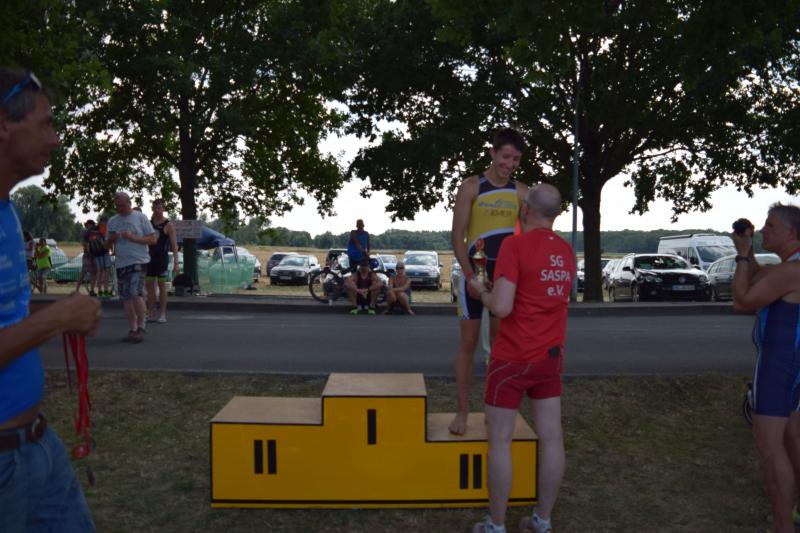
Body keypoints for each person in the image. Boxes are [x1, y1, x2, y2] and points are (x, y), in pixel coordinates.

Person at [0, 66, 102, 532]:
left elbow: (10, 318)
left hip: (37, 444)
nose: (56, 140)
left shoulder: (7, 212)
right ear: (5, 124)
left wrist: (60, 315)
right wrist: (59, 317)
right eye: (46, 125)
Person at [467, 184, 574, 533]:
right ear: (556, 214)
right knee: (552, 438)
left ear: (526, 209)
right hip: (550, 358)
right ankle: (542, 520)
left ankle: (496, 524)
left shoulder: (515, 246)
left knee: (500, 440)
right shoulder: (566, 251)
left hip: (513, 356)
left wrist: (480, 291)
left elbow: (501, 307)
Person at [449, 128, 529, 435]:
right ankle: (462, 413)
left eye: (516, 159)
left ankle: (493, 410)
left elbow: (530, 235)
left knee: (499, 348)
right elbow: (457, 236)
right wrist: (470, 276)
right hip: (473, 274)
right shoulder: (472, 187)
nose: (510, 164)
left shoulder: (521, 192)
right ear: (493, 153)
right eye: (505, 156)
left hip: (504, 279)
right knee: (468, 344)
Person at [732, 203, 800, 533]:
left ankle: (783, 526)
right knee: (793, 438)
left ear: (792, 232)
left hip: (779, 363)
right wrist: (747, 254)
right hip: (793, 364)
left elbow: (742, 301)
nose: (762, 231)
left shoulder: (791, 272)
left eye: (771, 226)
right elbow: (762, 278)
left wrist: (742, 258)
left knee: (769, 447)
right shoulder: (789, 268)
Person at [106, 191, 156, 343]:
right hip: (121, 262)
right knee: (126, 297)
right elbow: (106, 246)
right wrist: (111, 240)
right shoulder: (112, 221)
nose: (119, 209)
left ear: (129, 203)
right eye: (117, 206)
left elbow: (153, 239)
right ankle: (133, 329)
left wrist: (133, 238)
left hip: (138, 260)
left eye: (122, 205)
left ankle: (141, 326)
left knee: (135, 292)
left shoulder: (140, 217)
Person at [145, 198, 179, 323]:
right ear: (152, 209)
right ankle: (151, 313)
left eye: (159, 208)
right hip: (149, 259)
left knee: (162, 287)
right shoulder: (149, 223)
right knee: (150, 288)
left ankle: (163, 313)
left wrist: (176, 263)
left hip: (162, 260)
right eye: (155, 208)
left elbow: (174, 245)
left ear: (163, 209)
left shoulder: (168, 225)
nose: (157, 210)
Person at [89, 216, 113, 297]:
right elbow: (108, 240)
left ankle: (99, 291)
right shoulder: (104, 228)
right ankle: (106, 290)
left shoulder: (94, 229)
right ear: (106, 221)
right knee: (106, 272)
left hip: (96, 254)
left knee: (99, 272)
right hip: (104, 252)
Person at [77, 220, 98, 296]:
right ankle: (77, 289)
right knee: (85, 272)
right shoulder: (87, 233)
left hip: (92, 255)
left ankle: (91, 290)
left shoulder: (92, 233)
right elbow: (85, 243)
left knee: (93, 273)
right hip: (88, 255)